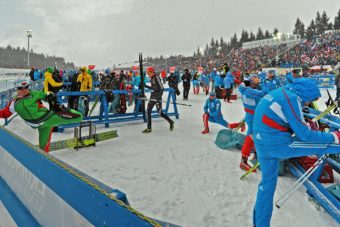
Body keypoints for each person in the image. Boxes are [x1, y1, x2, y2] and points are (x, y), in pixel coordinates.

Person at [252, 78, 340, 227]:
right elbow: (305, 136)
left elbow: (284, 120)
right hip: (276, 145)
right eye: (311, 99)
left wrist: (304, 125)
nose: (308, 103)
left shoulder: (283, 92)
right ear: (307, 93)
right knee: (324, 145)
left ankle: (260, 224)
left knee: (266, 186)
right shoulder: (292, 98)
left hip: (262, 143)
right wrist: (334, 136)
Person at [0, 78, 83, 152]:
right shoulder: (14, 103)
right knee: (43, 149)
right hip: (41, 126)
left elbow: (45, 95)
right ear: (16, 89)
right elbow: (4, 113)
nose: (24, 90)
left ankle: (64, 110)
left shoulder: (34, 94)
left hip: (48, 118)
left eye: (26, 87)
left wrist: (50, 98)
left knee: (78, 116)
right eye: (21, 88)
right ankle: (44, 160)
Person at [239, 75, 266, 170]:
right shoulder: (249, 91)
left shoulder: (247, 89)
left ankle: (255, 154)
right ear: (250, 83)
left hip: (253, 116)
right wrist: (265, 86)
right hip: (252, 117)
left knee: (256, 136)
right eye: (255, 83)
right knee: (250, 137)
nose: (257, 85)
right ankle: (243, 160)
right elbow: (262, 93)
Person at [142, 66, 174, 133]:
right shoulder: (152, 78)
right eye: (147, 73)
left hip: (157, 97)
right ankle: (149, 128)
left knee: (160, 113)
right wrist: (145, 86)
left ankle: (171, 122)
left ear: (152, 72)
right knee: (148, 111)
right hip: (152, 97)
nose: (148, 74)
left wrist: (158, 98)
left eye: (148, 73)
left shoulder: (156, 77)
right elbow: (154, 88)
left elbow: (161, 88)